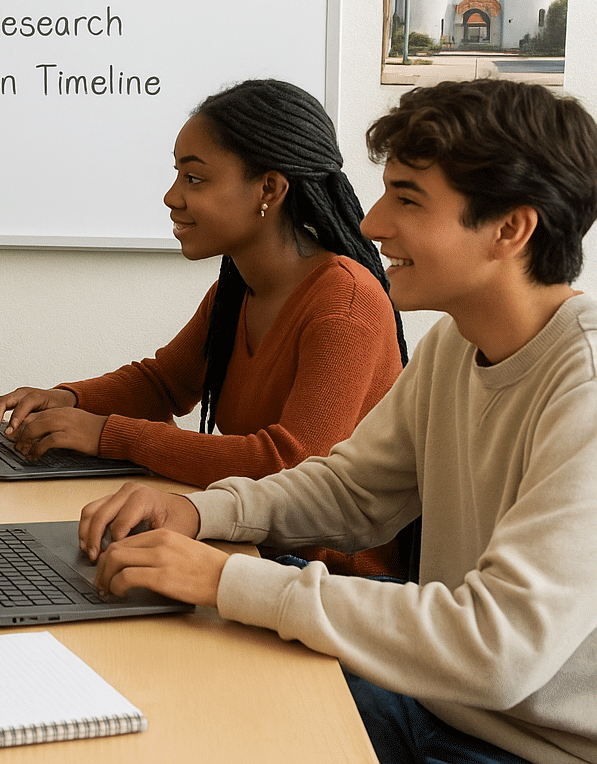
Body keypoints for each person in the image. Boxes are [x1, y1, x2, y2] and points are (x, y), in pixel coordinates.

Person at [81, 79, 597, 764]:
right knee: (177, 712)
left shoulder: (584, 385)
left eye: (407, 199)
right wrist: (197, 514)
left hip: (528, 749)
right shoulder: (456, 343)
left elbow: (497, 648)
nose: (373, 224)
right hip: (435, 705)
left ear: (510, 228)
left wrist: (224, 580)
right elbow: (351, 491)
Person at [0, 79, 409, 576]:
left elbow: (289, 467)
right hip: (251, 549)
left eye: (195, 179)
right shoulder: (237, 287)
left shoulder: (346, 300)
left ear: (269, 189)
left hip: (324, 576)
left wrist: (108, 434)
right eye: (177, 176)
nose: (172, 196)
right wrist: (70, 400)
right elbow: (164, 383)